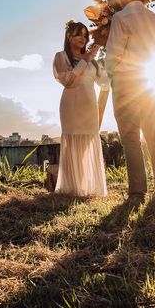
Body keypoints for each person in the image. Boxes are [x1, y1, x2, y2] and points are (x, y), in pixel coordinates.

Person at [105, 0, 155, 200]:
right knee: (154, 135)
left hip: (126, 84)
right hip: (149, 83)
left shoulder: (121, 18)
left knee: (131, 137)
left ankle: (137, 191)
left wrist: (110, 75)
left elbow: (113, 55)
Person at [52, 21, 108, 197]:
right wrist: (87, 58)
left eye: (85, 35)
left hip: (89, 108)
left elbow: (105, 84)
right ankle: (71, 189)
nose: (83, 38)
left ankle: (86, 188)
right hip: (71, 106)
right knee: (72, 147)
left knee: (86, 145)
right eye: (79, 34)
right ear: (69, 36)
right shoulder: (61, 57)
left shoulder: (92, 62)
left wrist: (109, 65)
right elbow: (68, 80)